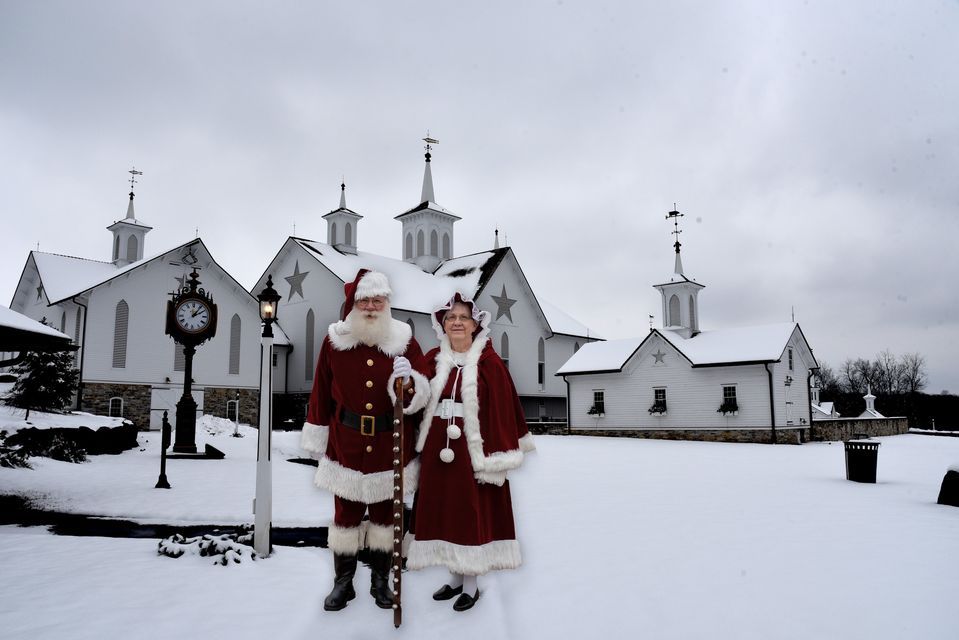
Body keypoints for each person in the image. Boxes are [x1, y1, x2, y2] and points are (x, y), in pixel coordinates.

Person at [300, 269, 431, 611]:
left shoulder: (404, 341)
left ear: (387, 303)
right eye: (365, 301)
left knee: (386, 517)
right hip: (346, 443)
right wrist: (316, 436)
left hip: (390, 444)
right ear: (353, 304)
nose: (371, 307)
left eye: (378, 300)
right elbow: (321, 391)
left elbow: (423, 391)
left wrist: (410, 382)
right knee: (345, 517)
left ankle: (380, 581)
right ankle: (343, 583)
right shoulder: (335, 341)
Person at [405, 293, 535, 611]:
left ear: (476, 324)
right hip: (437, 448)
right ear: (442, 324)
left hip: (473, 450)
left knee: (469, 512)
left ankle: (471, 584)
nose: (457, 323)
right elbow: (414, 398)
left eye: (464, 317)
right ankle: (455, 576)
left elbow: (503, 409)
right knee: (446, 512)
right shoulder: (434, 358)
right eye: (451, 318)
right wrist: (404, 381)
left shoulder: (489, 363)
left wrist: (494, 455)